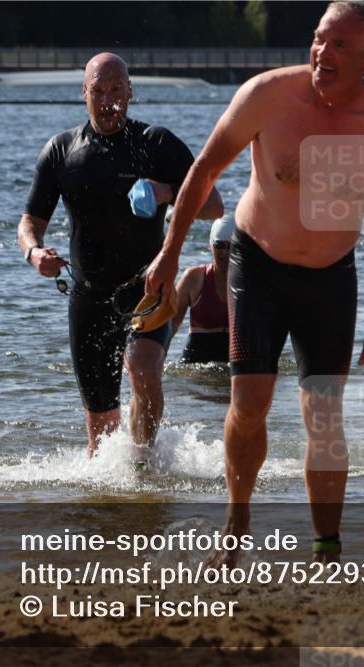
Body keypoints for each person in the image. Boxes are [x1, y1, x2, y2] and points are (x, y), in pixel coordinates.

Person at [143, 1, 364, 562]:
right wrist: (169, 254)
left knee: (324, 413)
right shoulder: (267, 95)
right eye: (320, 39)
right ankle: (237, 523)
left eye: (341, 45)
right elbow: (204, 171)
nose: (324, 53)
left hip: (330, 278)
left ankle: (327, 548)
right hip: (257, 264)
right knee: (249, 401)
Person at [17, 52, 223, 460]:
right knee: (100, 424)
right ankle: (111, 505)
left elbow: (214, 205)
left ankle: (144, 465)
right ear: (84, 93)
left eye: (117, 90)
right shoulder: (61, 151)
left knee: (143, 371)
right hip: (88, 297)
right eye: (99, 91)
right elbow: (29, 223)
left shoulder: (156, 144)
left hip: (147, 289)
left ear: (131, 92)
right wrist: (34, 253)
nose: (109, 100)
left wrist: (166, 193)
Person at [171, 216, 234, 364]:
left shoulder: (250, 282)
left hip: (234, 368)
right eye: (219, 245)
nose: (225, 252)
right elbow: (171, 325)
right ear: (210, 245)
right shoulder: (194, 278)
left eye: (231, 246)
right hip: (195, 367)